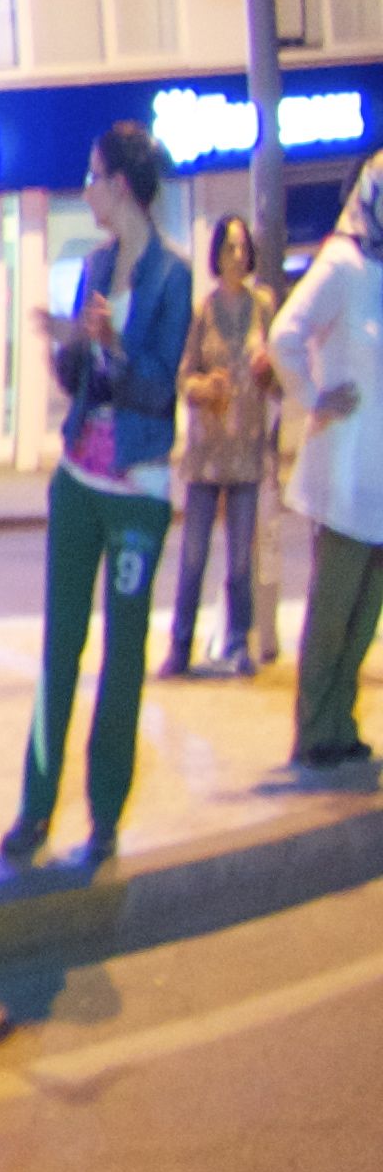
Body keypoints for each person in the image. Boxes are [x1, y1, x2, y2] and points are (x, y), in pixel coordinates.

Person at [12, 118, 190, 872]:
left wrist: (113, 342)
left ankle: (105, 813)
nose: (86, 189)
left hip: (139, 487)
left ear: (122, 185)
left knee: (124, 657)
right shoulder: (94, 263)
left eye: (92, 177)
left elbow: (156, 386)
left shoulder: (174, 278)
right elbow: (81, 382)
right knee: (59, 647)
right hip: (79, 479)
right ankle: (34, 810)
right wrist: (71, 344)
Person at [262, 156, 383, 776]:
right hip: (344, 476)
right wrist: (313, 396)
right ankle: (316, 730)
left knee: (364, 618)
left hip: (381, 480)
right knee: (333, 611)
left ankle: (344, 723)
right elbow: (284, 334)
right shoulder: (341, 265)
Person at [167, 215, 280, 679]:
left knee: (239, 560)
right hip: (207, 452)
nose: (236, 256)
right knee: (193, 555)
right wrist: (202, 386)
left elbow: (279, 375)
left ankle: (238, 642)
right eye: (228, 248)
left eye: (242, 247)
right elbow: (183, 376)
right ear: (216, 255)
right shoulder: (204, 310)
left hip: (247, 448)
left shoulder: (263, 307)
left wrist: (267, 370)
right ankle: (180, 646)